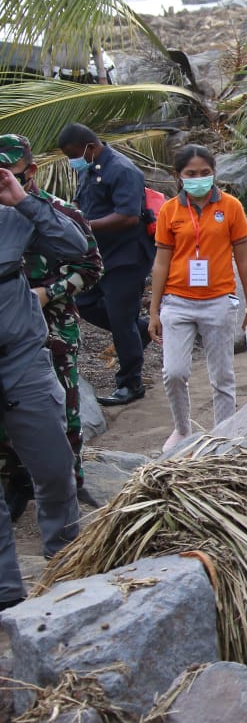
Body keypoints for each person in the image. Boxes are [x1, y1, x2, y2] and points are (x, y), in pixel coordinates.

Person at [0, 162, 89, 611]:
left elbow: (76, 248)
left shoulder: (13, 210)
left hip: (21, 358)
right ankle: (7, 596)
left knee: (55, 468)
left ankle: (65, 566)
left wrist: (24, 202)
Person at [0, 135, 102, 517]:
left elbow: (90, 265)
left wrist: (49, 293)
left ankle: (70, 485)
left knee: (64, 411)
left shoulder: (56, 212)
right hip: (10, 332)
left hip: (54, 326)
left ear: (30, 172)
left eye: (11, 174)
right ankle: (17, 480)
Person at [148, 145, 247, 453]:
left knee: (223, 375)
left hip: (218, 301)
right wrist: (154, 309)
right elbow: (161, 261)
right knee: (174, 372)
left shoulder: (231, 207)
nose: (199, 179)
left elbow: (242, 259)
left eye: (205, 173)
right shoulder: (169, 210)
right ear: (178, 176)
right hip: (177, 301)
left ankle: (224, 433)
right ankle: (182, 429)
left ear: (214, 173)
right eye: (191, 174)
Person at [57, 123, 153, 406]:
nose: (71, 161)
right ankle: (142, 329)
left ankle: (131, 383)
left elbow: (128, 216)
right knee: (85, 303)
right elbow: (81, 203)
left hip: (126, 258)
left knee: (121, 320)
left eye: (73, 154)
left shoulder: (123, 170)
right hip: (100, 257)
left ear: (90, 147)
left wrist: (83, 225)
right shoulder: (89, 169)